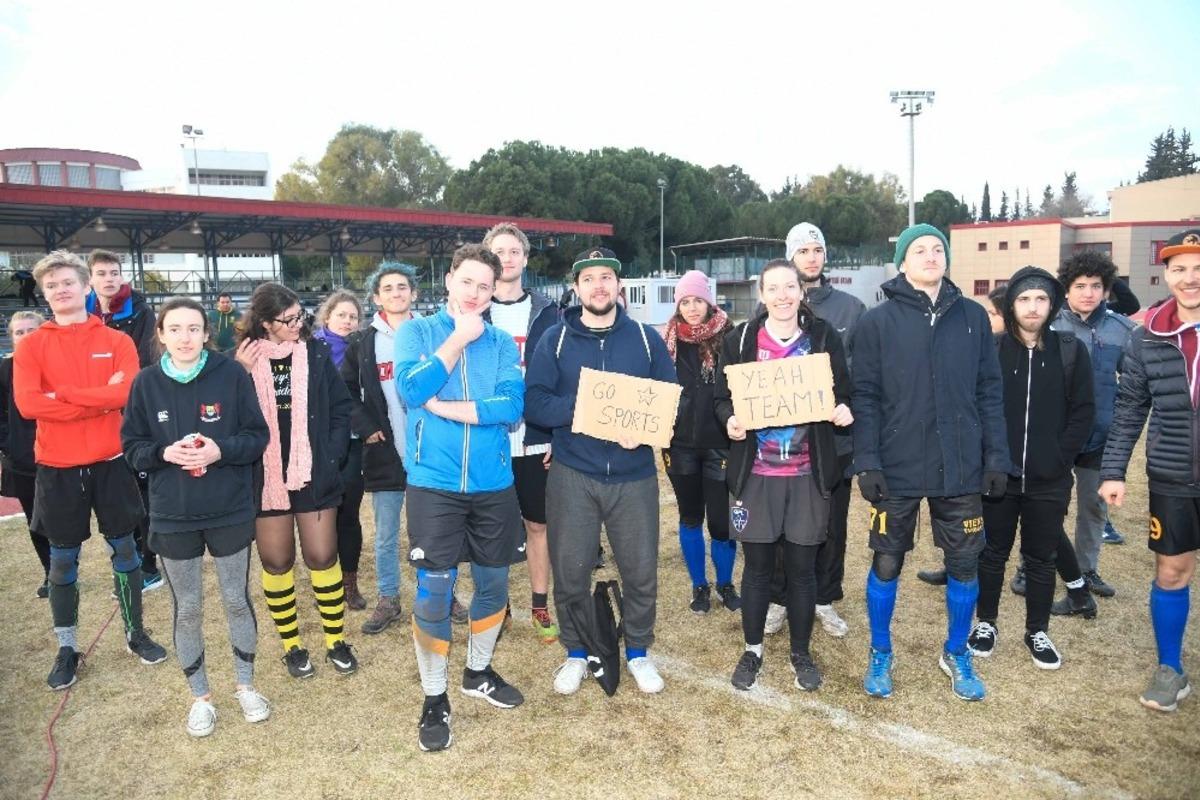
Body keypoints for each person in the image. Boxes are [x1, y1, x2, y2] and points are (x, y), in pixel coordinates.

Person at [852, 224, 1009, 702]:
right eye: (918, 250)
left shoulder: (973, 318)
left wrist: (996, 455)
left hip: (959, 463)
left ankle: (956, 651)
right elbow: (865, 396)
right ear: (902, 263)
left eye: (937, 248)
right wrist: (867, 460)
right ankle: (881, 650)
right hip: (896, 463)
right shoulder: (876, 322)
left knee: (964, 562)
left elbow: (989, 390)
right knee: (887, 559)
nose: (929, 255)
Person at [526, 247, 677, 697]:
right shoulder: (554, 339)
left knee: (640, 569)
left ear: (619, 286)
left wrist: (645, 430)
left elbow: (671, 398)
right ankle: (575, 651)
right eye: (589, 278)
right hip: (574, 471)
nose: (598, 286)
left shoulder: (646, 339)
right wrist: (586, 411)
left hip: (633, 474)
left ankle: (638, 652)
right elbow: (533, 401)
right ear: (576, 287)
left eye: (606, 278)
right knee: (571, 569)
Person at [14, 250, 166, 690]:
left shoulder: (116, 340)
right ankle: (67, 647)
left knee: (126, 552)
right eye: (52, 285)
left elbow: (128, 394)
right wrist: (96, 395)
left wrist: (62, 396)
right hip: (57, 468)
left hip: (111, 462)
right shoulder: (33, 345)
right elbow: (29, 404)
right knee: (62, 562)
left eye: (67, 282)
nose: (61, 290)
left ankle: (135, 632)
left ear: (86, 287)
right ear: (45, 294)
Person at [396, 244, 526, 752]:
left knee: (493, 585)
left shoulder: (500, 343)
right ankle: (434, 697)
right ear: (449, 280)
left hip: (494, 486)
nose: (475, 293)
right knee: (433, 592)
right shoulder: (419, 331)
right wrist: (454, 342)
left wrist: (448, 409)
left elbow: (511, 406)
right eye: (467, 282)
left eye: (485, 286)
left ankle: (478, 672)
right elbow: (411, 388)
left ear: (495, 291)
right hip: (434, 485)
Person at [122, 297, 271, 737]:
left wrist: (220, 449)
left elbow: (256, 436)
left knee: (234, 599)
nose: (185, 337)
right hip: (172, 513)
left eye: (193, 328)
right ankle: (200, 697)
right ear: (161, 335)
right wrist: (163, 453)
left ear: (207, 333)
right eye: (175, 329)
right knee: (187, 608)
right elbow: (132, 448)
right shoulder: (146, 383)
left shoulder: (231, 374)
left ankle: (246, 686)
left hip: (228, 508)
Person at [714, 258, 853, 691]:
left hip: (808, 475)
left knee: (802, 568)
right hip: (757, 474)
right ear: (761, 295)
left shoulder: (823, 337)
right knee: (756, 568)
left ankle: (800, 650)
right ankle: (752, 648)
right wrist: (730, 420)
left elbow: (845, 392)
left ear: (801, 291)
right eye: (772, 288)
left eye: (789, 287)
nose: (782, 296)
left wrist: (844, 409)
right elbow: (721, 397)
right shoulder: (740, 341)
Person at [966, 267, 1094, 671]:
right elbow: (976, 408)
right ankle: (985, 623)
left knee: (1040, 557)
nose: (1033, 306)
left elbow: (1084, 412)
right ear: (1011, 305)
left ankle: (1036, 630)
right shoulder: (992, 349)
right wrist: (989, 457)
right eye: (1024, 299)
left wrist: (1060, 458)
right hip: (999, 477)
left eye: (1041, 298)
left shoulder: (1071, 351)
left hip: (1049, 478)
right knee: (991, 554)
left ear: (1052, 304)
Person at [1099, 228, 1200, 712]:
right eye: (1180, 268)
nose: (1190, 278)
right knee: (1172, 571)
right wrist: (1113, 471)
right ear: (1166, 274)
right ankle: (1170, 669)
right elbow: (1130, 409)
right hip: (1173, 474)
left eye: (1199, 268)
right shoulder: (1147, 336)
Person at [234, 282, 357, 679]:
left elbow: (341, 408)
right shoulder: (240, 360)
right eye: (288, 320)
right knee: (277, 560)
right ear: (266, 323)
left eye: (300, 315)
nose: (297, 324)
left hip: (313, 473)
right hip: (265, 475)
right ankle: (292, 646)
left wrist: (332, 455)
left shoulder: (316, 354)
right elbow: (226, 414)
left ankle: (336, 639)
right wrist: (241, 374)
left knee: (322, 557)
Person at [776, 222, 866, 638]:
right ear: (790, 258)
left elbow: (863, 376)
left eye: (817, 249)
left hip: (835, 442)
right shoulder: (773, 307)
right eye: (803, 250)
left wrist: (849, 408)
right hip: (782, 444)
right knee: (780, 523)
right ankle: (779, 596)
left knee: (832, 525)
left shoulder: (851, 309)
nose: (811, 257)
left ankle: (825, 598)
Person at [341, 263, 434, 633]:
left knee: (430, 530)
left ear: (413, 293)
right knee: (386, 533)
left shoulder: (431, 334)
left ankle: (438, 594)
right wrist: (366, 428)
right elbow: (345, 392)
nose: (396, 293)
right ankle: (388, 598)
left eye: (402, 287)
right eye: (388, 288)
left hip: (430, 450)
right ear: (376, 298)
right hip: (384, 452)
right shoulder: (363, 342)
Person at [483, 222, 563, 642]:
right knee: (494, 529)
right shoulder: (474, 311)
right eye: (499, 252)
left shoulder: (550, 312)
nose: (507, 259)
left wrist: (555, 434)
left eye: (514, 251)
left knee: (538, 526)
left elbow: (565, 376)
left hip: (535, 438)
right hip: (489, 439)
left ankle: (539, 604)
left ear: (526, 258)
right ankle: (498, 608)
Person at [1048, 251, 1136, 609]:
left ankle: (1087, 570)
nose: (1088, 292)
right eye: (1080, 286)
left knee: (1094, 507)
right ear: (1066, 289)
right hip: (1055, 435)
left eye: (1096, 286)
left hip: (1101, 436)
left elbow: (1134, 386)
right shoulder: (1050, 326)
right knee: (1045, 506)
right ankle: (1031, 565)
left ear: (1106, 289)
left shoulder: (1123, 330)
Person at [919, 283, 1009, 587]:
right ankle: (953, 564)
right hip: (926, 447)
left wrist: (996, 456)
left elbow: (989, 394)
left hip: (971, 447)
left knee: (971, 539)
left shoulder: (974, 326)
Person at [661, 270, 739, 614]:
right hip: (679, 445)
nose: (692, 308)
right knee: (690, 516)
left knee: (721, 522)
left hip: (721, 442)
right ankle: (699, 584)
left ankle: (725, 582)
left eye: (698, 300)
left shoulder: (731, 337)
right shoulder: (666, 341)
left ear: (709, 301)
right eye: (685, 301)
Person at [86, 249, 163, 593]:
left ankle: (149, 564)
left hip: (134, 412)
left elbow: (142, 366)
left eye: (114, 272)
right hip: (95, 417)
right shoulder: (80, 314)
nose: (109, 278)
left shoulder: (141, 312)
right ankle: (125, 559)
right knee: (113, 492)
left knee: (142, 491)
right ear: (91, 278)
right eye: (101, 273)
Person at [313, 290, 367, 611]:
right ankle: (325, 579)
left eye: (353, 316)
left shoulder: (362, 349)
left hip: (352, 442)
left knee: (349, 514)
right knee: (319, 516)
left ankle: (349, 583)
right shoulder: (310, 349)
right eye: (341, 315)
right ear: (327, 316)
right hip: (317, 444)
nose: (347, 321)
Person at [0, 311, 49, 597]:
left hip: (62, 455)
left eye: (33, 330)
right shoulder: (5, 370)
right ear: (12, 337)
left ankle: (67, 568)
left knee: (69, 517)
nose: (27, 335)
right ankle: (50, 572)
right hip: (23, 461)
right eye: (20, 332)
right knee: (35, 519)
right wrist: (11, 444)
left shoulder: (59, 365)